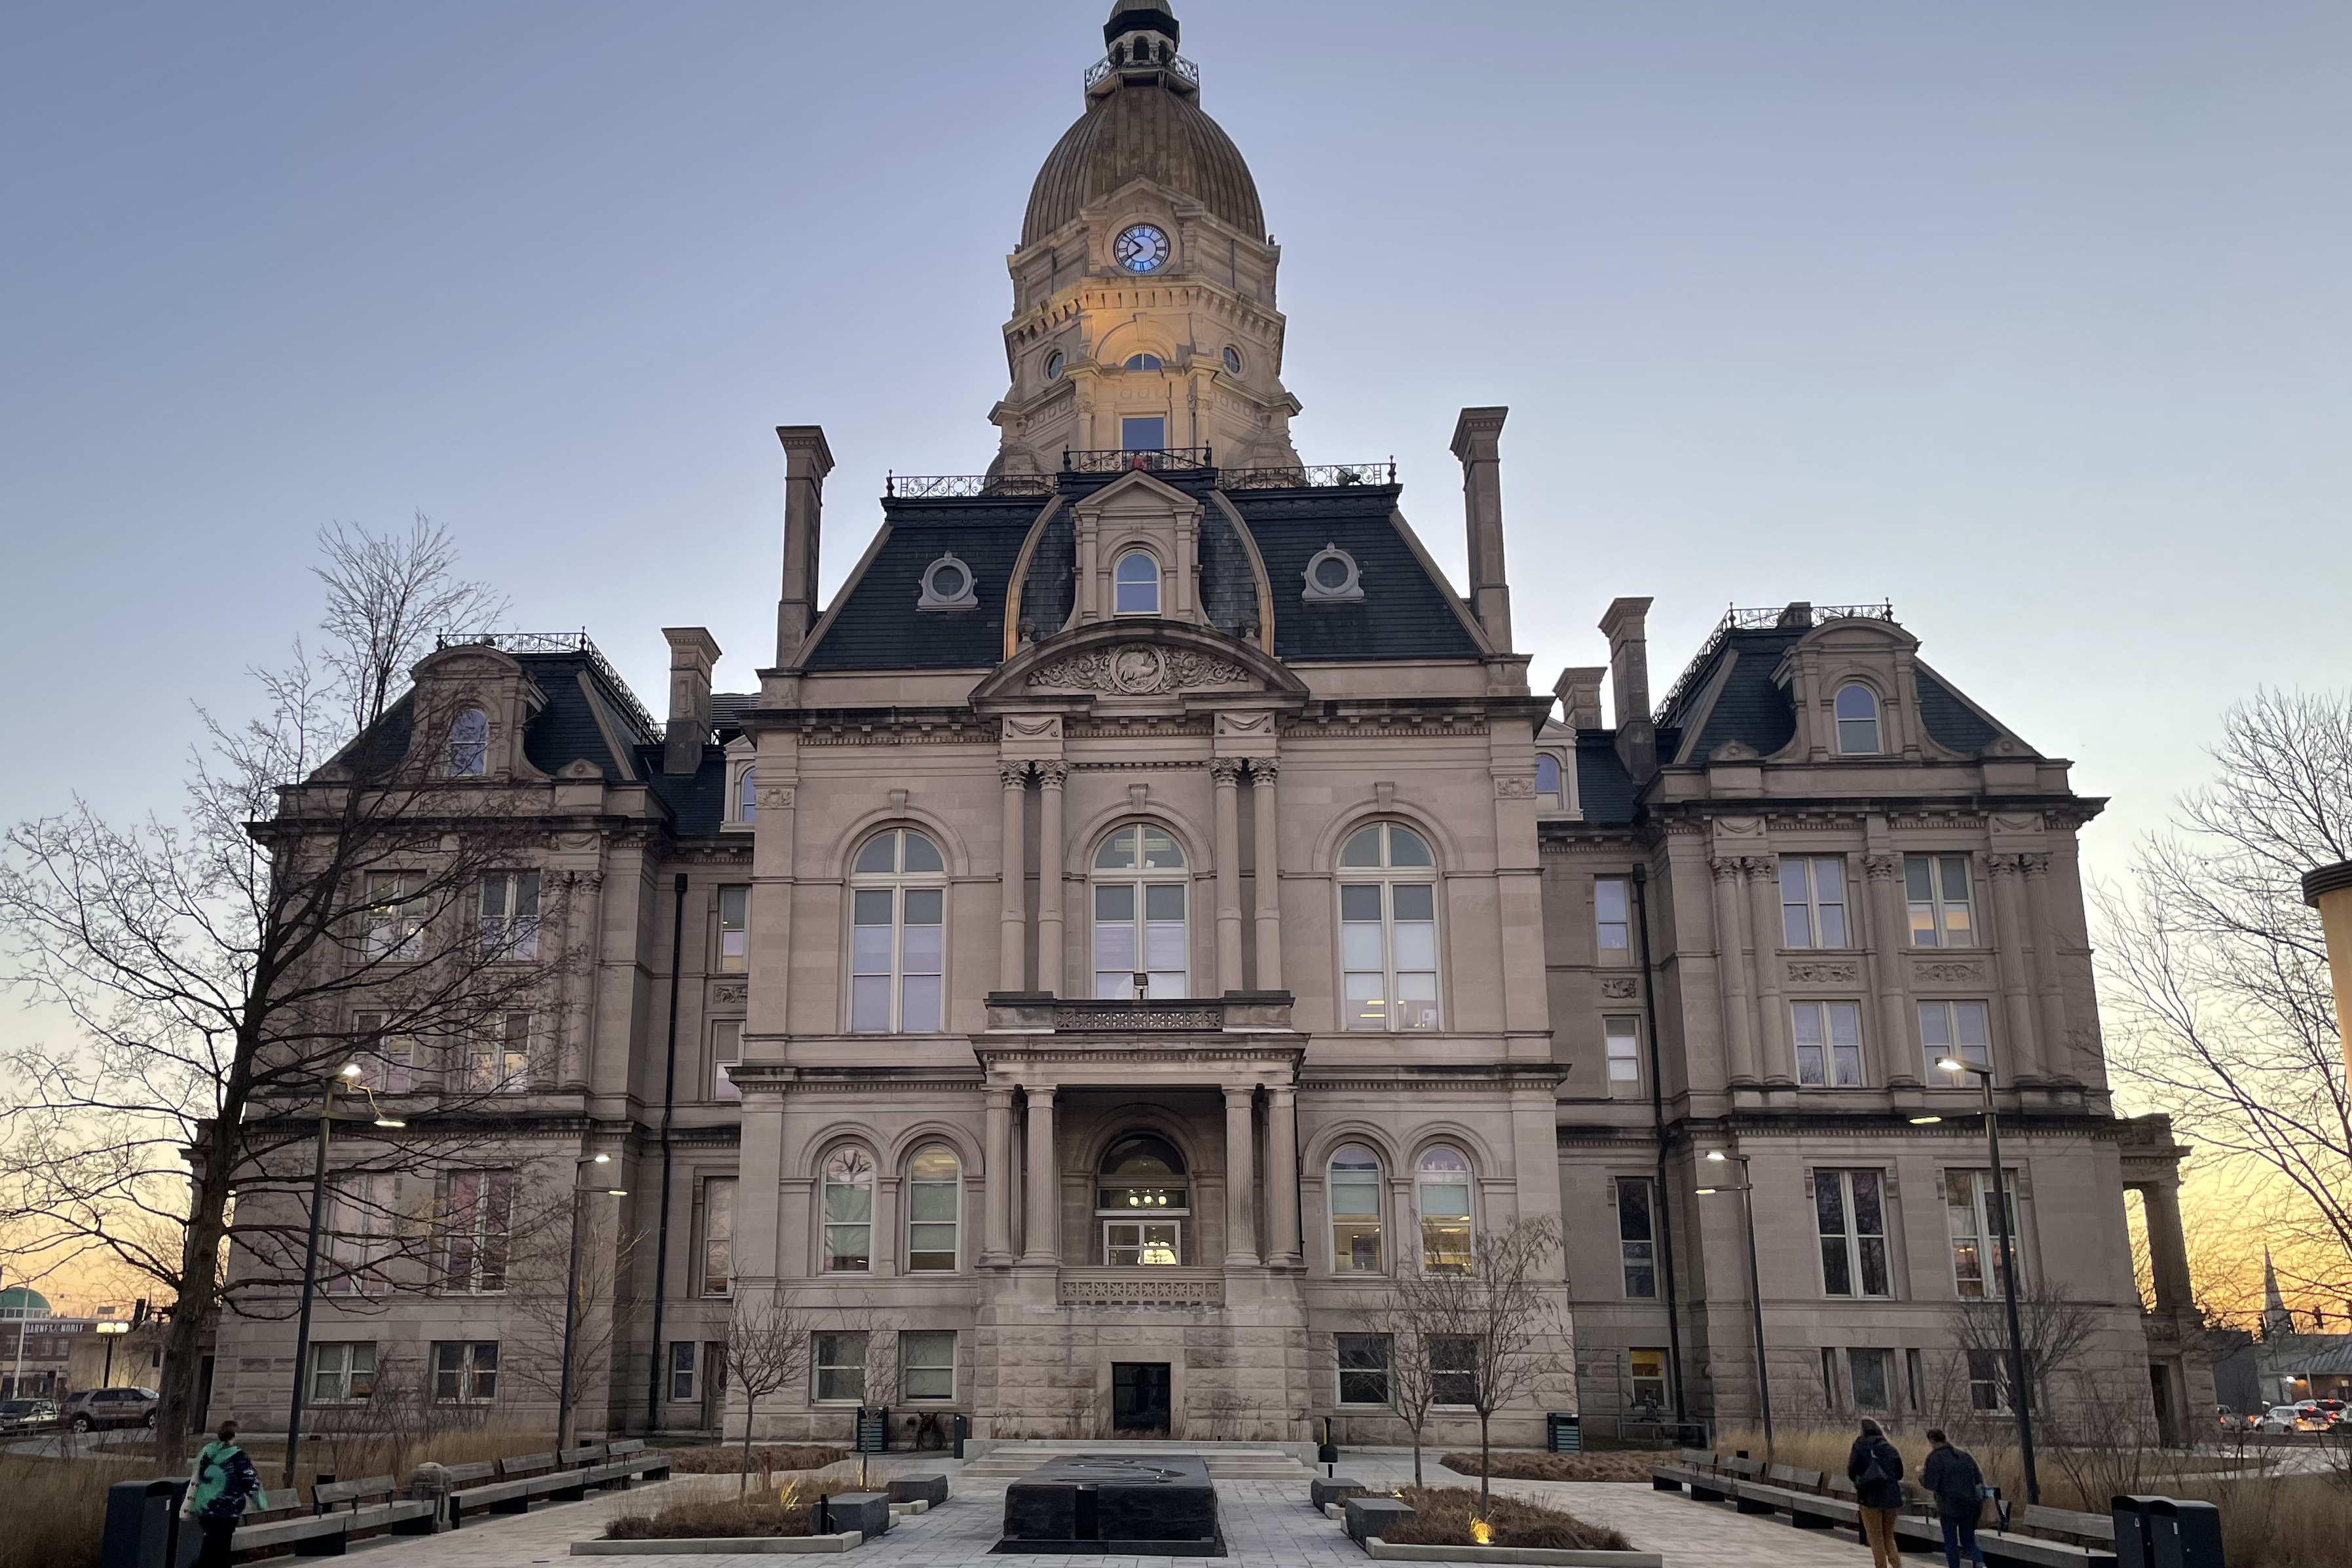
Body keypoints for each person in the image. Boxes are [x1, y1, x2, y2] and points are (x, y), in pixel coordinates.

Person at [181, 1419, 265, 1567]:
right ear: (234, 1436)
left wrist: (188, 1505)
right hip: (227, 1510)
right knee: (222, 1548)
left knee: (212, 1545)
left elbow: (196, 1479)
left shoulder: (207, 1452)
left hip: (205, 1510)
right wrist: (261, 1503)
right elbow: (250, 1481)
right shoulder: (237, 1456)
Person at [1919, 1428, 1988, 1568]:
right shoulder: (1964, 1455)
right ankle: (1980, 1564)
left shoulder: (1934, 1458)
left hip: (1948, 1507)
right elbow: (1978, 1479)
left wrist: (1921, 1475)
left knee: (1950, 1543)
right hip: (1970, 1506)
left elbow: (1930, 1484)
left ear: (1932, 1441)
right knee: (1968, 1540)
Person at [1846, 1417, 1906, 1568]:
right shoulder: (1889, 1447)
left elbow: (1852, 1471)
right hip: (1892, 1499)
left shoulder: (1859, 1446)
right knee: (1888, 1537)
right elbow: (1900, 1474)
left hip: (1870, 1498)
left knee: (1876, 1538)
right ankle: (1898, 1566)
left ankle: (1881, 1566)